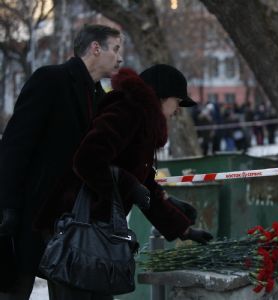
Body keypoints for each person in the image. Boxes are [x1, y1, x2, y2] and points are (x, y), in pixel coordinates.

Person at [34, 65, 213, 299]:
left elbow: (146, 187)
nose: (178, 110)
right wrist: (129, 185)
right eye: (177, 101)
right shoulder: (126, 111)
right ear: (162, 95)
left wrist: (184, 229)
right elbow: (88, 159)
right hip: (76, 229)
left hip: (99, 236)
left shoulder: (144, 124)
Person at [0, 24, 123, 299]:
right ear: (95, 48)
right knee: (15, 289)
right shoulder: (50, 80)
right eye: (115, 49)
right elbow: (15, 145)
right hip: (33, 215)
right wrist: (7, 205)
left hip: (76, 224)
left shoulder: (101, 97)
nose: (120, 57)